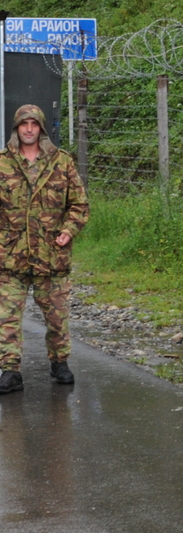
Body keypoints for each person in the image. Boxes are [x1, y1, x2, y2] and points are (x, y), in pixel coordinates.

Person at [0, 104, 89, 393]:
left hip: (51, 256)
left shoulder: (61, 162)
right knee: (7, 317)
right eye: (23, 124)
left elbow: (79, 205)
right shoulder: (2, 163)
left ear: (41, 128)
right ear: (16, 128)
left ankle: (60, 363)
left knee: (56, 316)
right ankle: (10, 370)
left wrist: (67, 231)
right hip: (10, 257)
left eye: (34, 124)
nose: (28, 129)